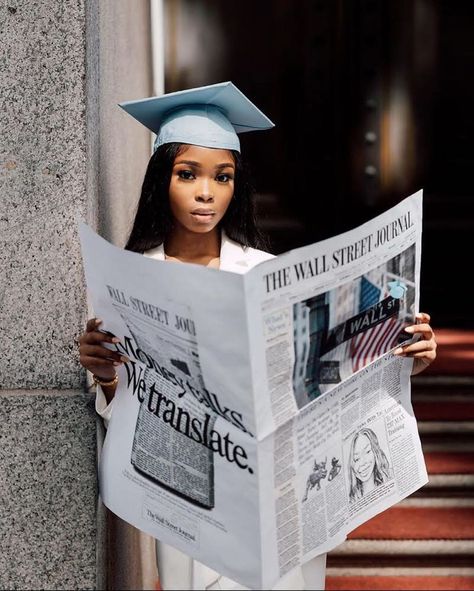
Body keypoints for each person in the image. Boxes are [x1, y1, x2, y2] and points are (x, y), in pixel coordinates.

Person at [78, 82, 437, 590]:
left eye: (222, 177)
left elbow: (329, 386)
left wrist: (402, 362)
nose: (206, 193)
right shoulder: (133, 279)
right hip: (193, 504)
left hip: (275, 500)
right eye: (188, 175)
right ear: (162, 180)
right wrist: (107, 377)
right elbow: (134, 417)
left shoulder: (269, 276)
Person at [348, 428, 392, 502]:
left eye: (368, 451)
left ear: (375, 452)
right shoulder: (352, 498)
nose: (363, 462)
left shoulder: (390, 476)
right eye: (357, 459)